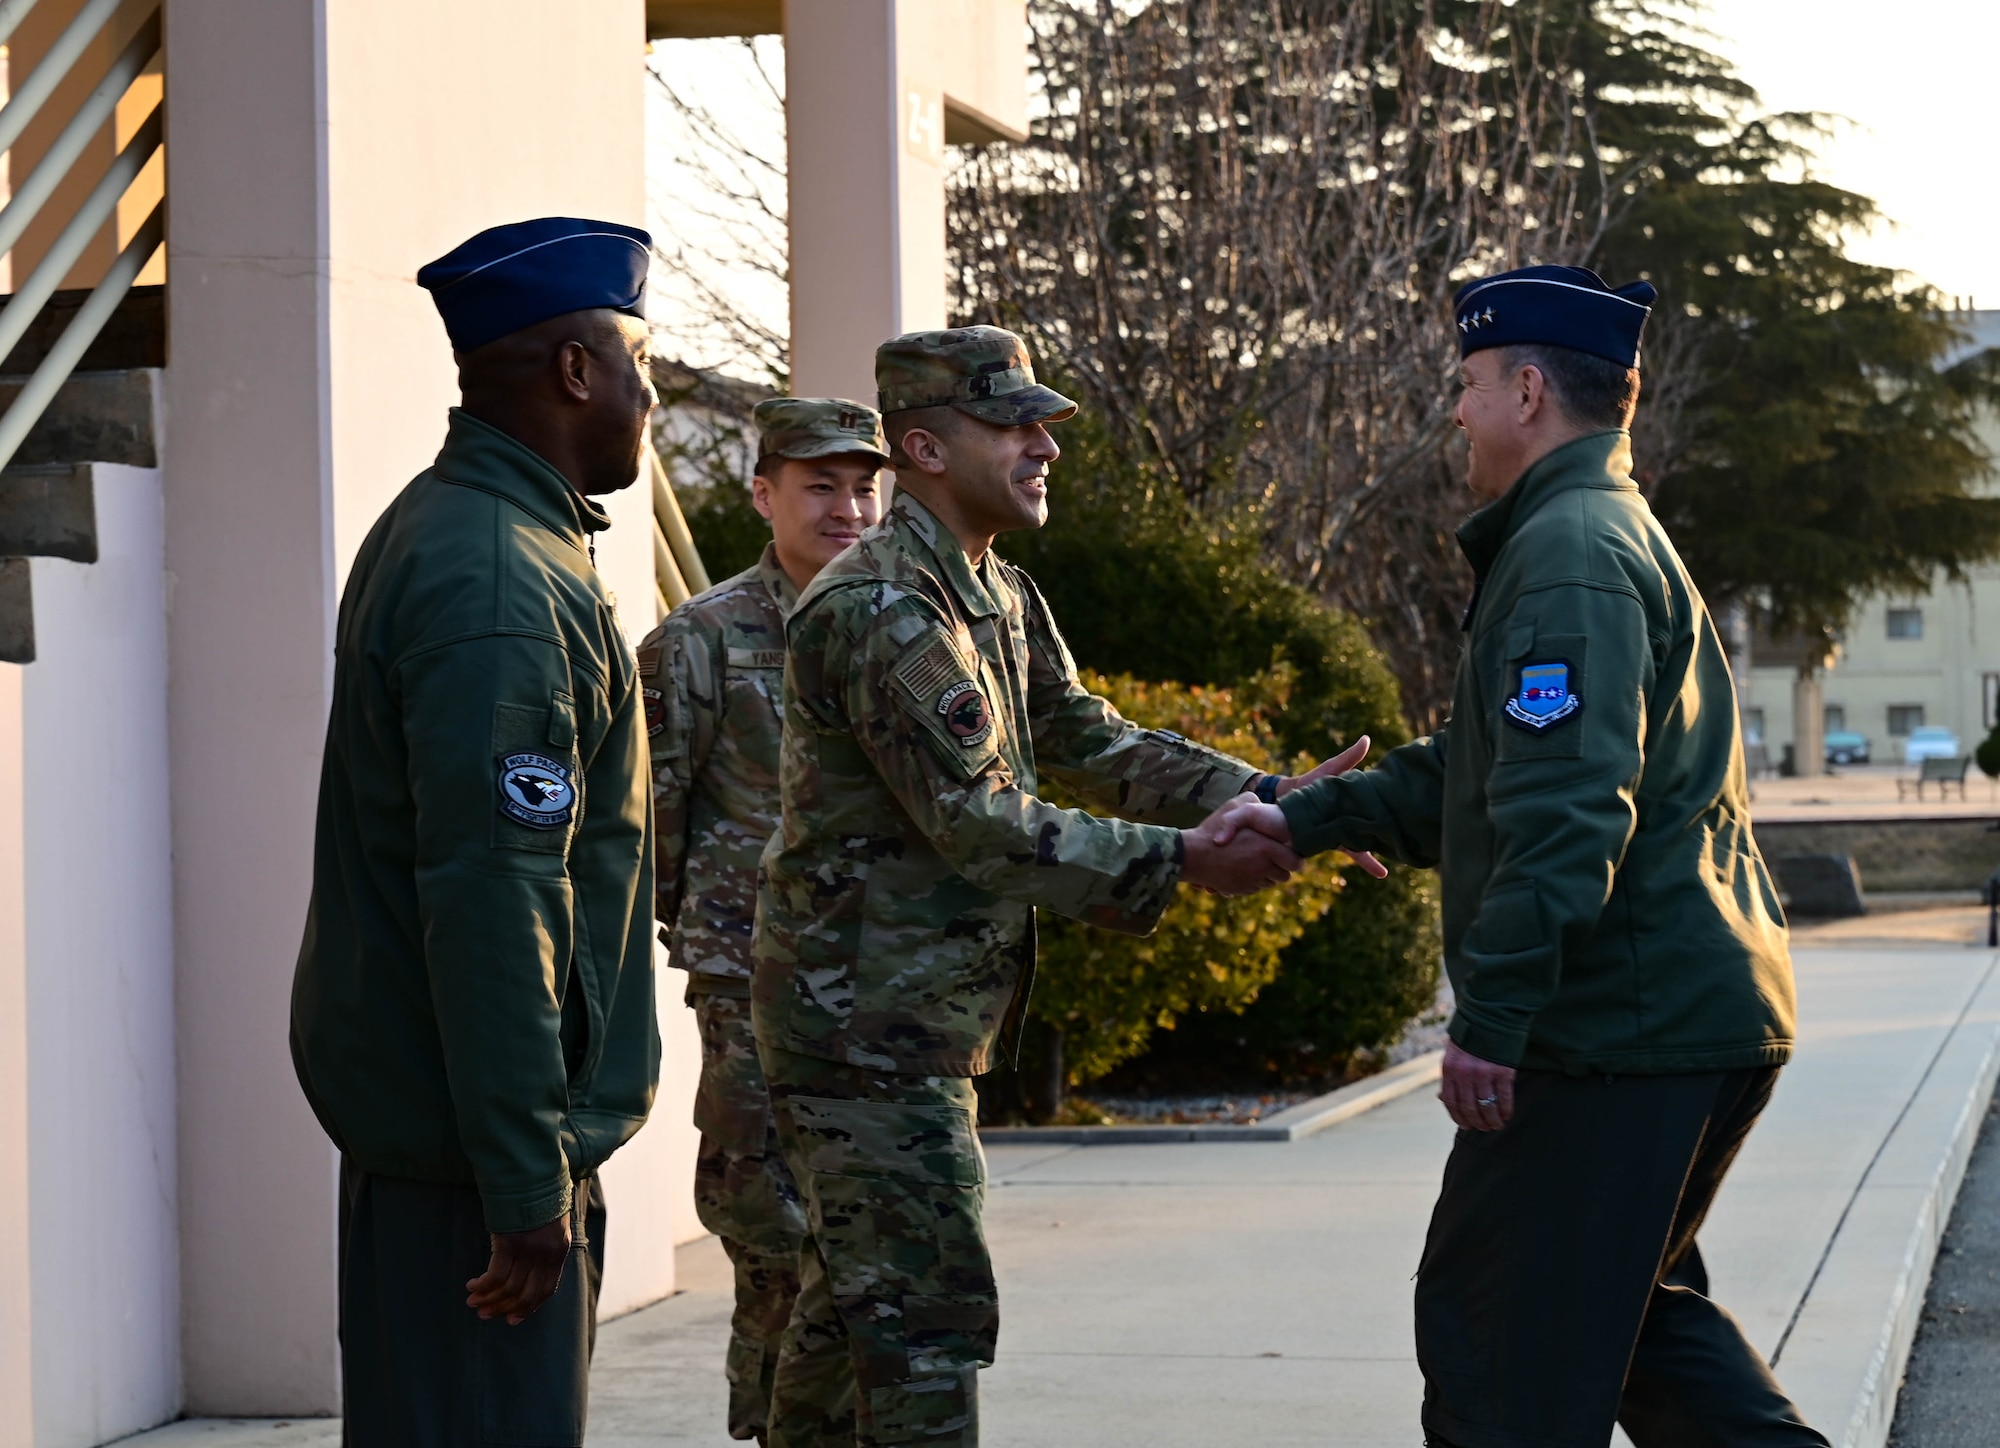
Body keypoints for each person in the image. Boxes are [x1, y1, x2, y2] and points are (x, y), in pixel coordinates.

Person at [1216, 265, 1825, 1447]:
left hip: (1612, 1031)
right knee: (1631, 1327)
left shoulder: (1568, 556)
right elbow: (1487, 765)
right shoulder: (1585, 534)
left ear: (1527, 390)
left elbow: (1563, 812)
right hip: (1672, 1016)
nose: (1455, 410)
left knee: (1496, 1347)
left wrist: (1491, 1017)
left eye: (1468, 383)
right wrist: (1307, 818)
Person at [751, 325, 1380, 1448]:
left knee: (852, 1314)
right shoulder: (884, 608)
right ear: (925, 448)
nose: (1044, 444)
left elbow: (1088, 736)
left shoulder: (991, 589)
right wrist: (1185, 858)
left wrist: (1279, 797)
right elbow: (979, 822)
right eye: (1014, 424)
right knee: (921, 1319)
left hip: (903, 1018)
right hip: (863, 1030)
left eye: (1041, 423)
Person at [291, 216, 662, 1448]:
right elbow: (496, 898)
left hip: (455, 1145)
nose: (646, 395)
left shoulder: (461, 526)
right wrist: (523, 1178)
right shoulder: (503, 581)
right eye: (636, 363)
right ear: (573, 370)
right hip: (478, 1168)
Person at [641, 397, 891, 1444]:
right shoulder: (698, 639)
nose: (848, 506)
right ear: (763, 492)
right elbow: (649, 819)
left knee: (874, 1239)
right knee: (771, 1229)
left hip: (886, 979)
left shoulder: (904, 625)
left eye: (864, 485)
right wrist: (694, 931)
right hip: (752, 980)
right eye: (820, 484)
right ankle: (776, 1425)